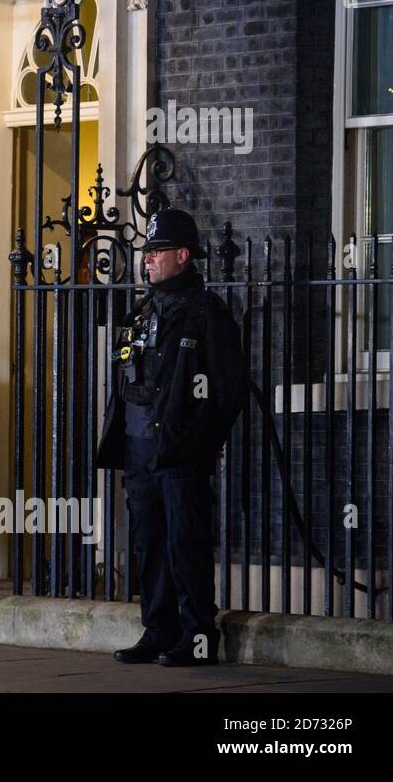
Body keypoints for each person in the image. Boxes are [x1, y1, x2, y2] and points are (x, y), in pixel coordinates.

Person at [95, 208, 246, 666]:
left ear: (183, 255)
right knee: (150, 545)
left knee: (187, 545)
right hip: (140, 452)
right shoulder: (141, 312)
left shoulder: (207, 312)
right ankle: (158, 631)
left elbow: (229, 388)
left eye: (157, 252)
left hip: (181, 456)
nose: (148, 259)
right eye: (147, 252)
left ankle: (198, 639)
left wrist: (199, 441)